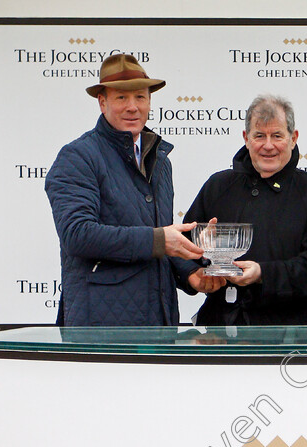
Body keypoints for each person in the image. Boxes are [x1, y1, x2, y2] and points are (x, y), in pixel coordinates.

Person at [45, 53, 224, 326]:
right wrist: (160, 241)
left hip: (159, 326)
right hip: (101, 330)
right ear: (102, 102)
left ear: (150, 102)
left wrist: (191, 275)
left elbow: (158, 236)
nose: (133, 107)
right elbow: (77, 234)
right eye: (121, 98)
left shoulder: (160, 161)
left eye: (140, 97)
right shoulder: (78, 157)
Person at [182, 95, 307, 325]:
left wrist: (262, 274)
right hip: (220, 328)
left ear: (293, 138)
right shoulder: (218, 186)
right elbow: (182, 246)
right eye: (259, 136)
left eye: (277, 136)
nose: (268, 145)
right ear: (246, 139)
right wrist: (195, 268)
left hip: (289, 332)